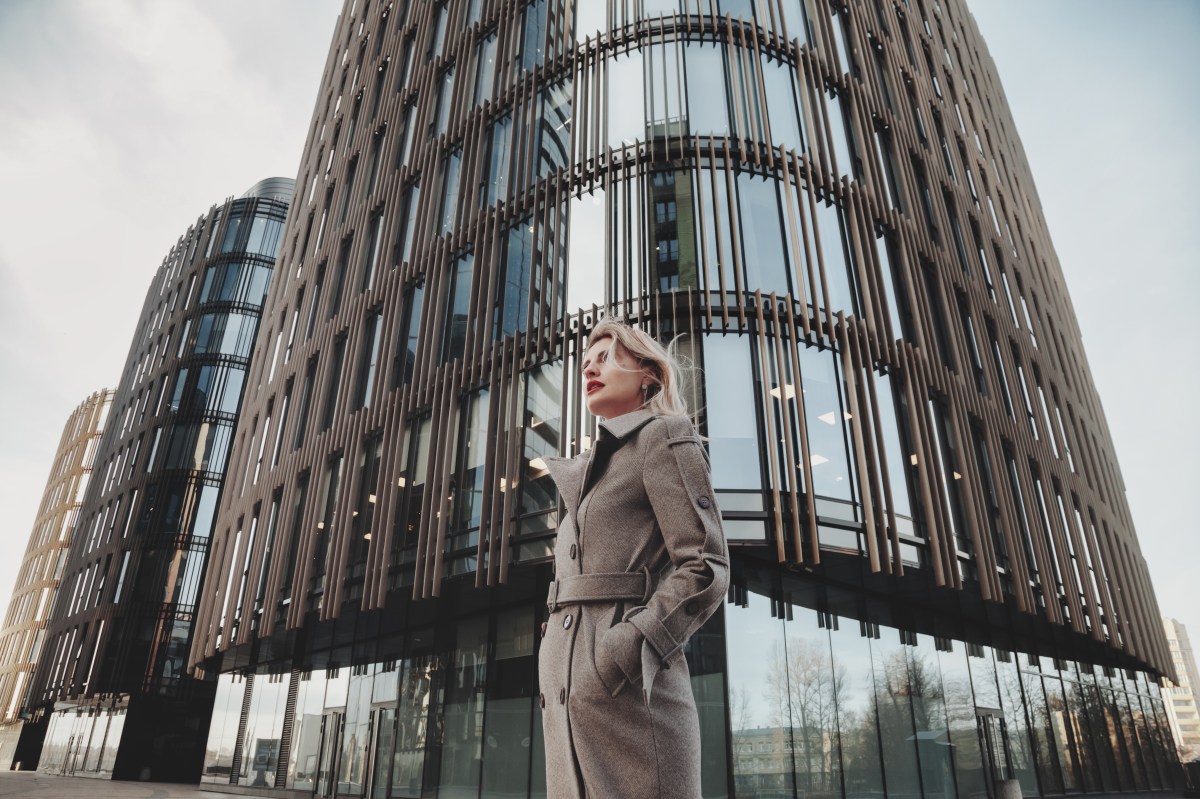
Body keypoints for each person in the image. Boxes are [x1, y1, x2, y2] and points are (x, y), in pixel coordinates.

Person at [539, 318, 730, 798]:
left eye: (604, 358)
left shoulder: (663, 435)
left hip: (631, 694)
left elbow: (705, 565)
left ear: (647, 371)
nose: (590, 369)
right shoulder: (589, 472)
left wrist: (625, 647)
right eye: (585, 363)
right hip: (568, 700)